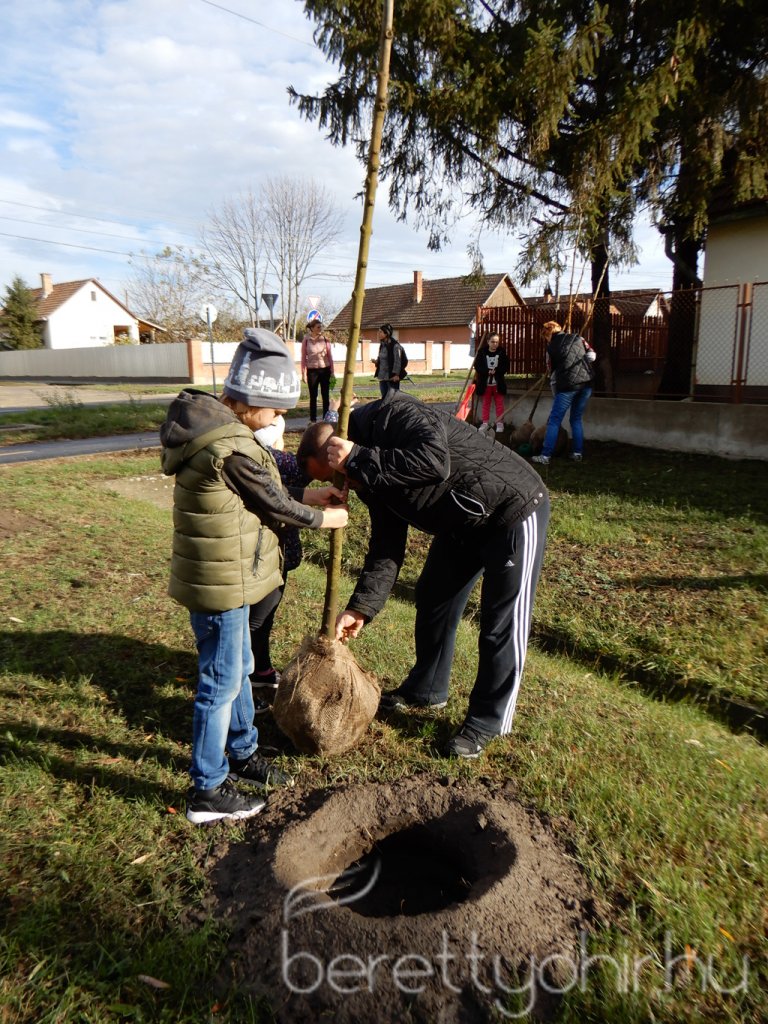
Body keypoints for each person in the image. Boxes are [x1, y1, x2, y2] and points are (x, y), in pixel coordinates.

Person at [297, 389, 549, 759]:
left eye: (335, 475)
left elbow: (435, 461)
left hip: (511, 509)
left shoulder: (392, 413)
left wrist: (360, 457)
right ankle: (427, 689)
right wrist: (360, 608)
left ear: (339, 448)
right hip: (462, 522)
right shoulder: (365, 474)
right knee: (433, 596)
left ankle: (486, 721)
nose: (341, 486)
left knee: (501, 623)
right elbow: (386, 548)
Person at [160, 328, 348, 824]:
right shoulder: (230, 446)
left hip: (229, 577)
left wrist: (307, 498)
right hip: (222, 584)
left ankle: (243, 753)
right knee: (220, 681)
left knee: (239, 667)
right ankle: (208, 788)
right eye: (278, 409)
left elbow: (262, 491)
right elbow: (271, 501)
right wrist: (323, 517)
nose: (282, 419)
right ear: (253, 401)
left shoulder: (227, 433)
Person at [248, 414, 307, 697]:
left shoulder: (262, 457)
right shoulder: (284, 463)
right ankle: (247, 680)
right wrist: (322, 516)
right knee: (258, 620)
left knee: (262, 619)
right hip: (268, 559)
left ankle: (260, 671)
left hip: (270, 558)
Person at [532, 321, 596, 465]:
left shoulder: (551, 348)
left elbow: (552, 373)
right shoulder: (578, 338)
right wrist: (581, 362)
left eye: (545, 337)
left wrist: (556, 393)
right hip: (586, 384)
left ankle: (545, 456)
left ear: (547, 335)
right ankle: (577, 453)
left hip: (567, 386)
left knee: (554, 421)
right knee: (576, 419)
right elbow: (592, 355)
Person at [473, 331, 509, 434]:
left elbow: (505, 366)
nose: (495, 344)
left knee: (499, 404)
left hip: (498, 384)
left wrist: (497, 370)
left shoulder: (502, 352)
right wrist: (486, 371)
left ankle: (499, 423)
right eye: (493, 342)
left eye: (497, 342)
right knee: (486, 404)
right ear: (488, 341)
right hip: (486, 384)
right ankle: (485, 423)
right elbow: (478, 366)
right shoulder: (482, 353)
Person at [300, 319, 334, 422]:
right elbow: (303, 358)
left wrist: (332, 372)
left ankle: (325, 419)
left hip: (325, 370)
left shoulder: (325, 339)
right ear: (312, 328)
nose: (320, 329)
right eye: (318, 327)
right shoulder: (306, 340)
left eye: (321, 327)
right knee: (313, 397)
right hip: (312, 372)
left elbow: (330, 357)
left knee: (325, 396)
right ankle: (313, 420)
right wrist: (303, 373)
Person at [372, 323, 406, 398]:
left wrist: (397, 375)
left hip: (392, 378)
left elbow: (398, 361)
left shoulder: (395, 346)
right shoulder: (382, 345)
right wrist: (377, 362)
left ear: (386, 333)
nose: (378, 334)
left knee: (393, 399)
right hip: (382, 377)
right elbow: (384, 359)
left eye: (380, 332)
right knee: (384, 399)